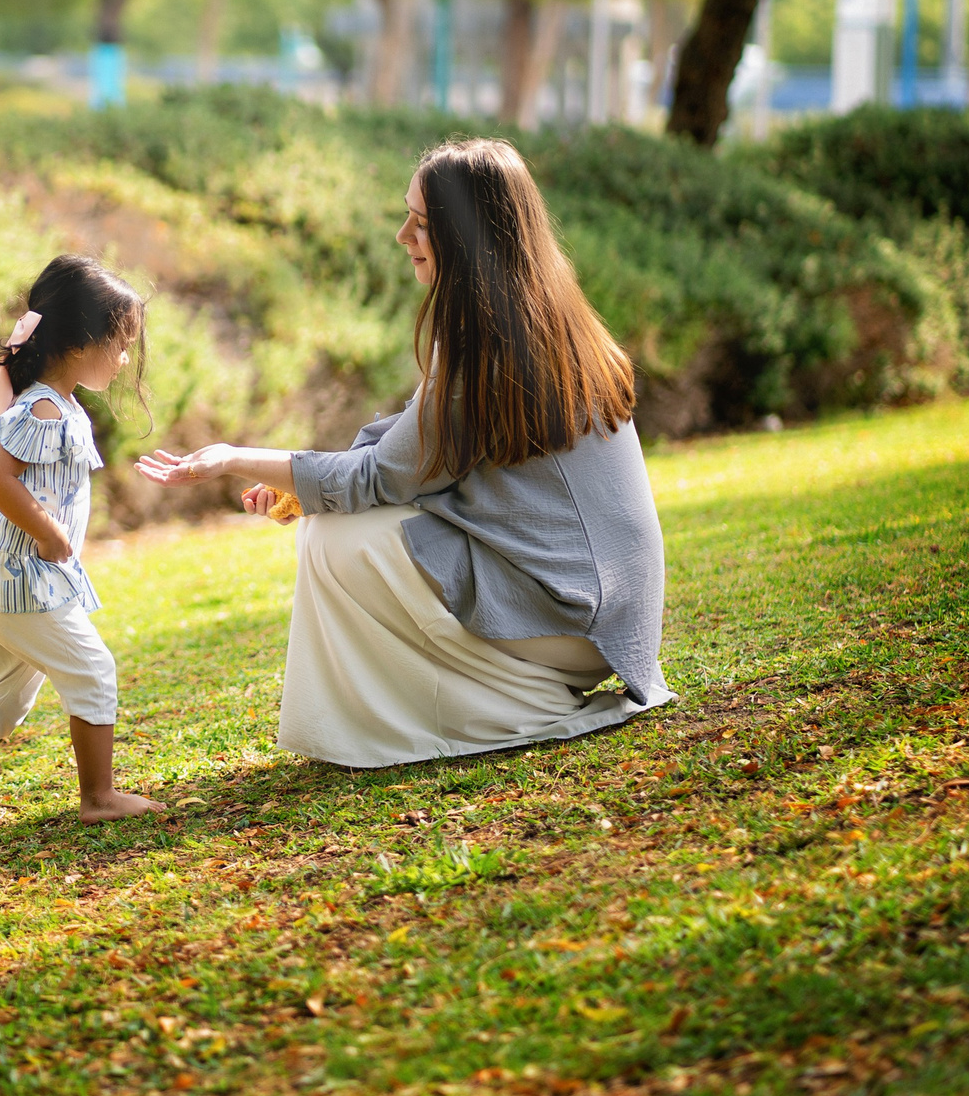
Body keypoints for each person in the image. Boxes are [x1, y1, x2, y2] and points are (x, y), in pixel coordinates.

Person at [136, 138, 668, 767]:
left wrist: (230, 458)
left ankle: (519, 704)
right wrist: (300, 488)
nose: (401, 234)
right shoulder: (544, 316)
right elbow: (414, 447)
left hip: (578, 618)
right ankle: (496, 696)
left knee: (341, 539)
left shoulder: (487, 339)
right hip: (606, 619)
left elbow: (383, 474)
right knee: (339, 523)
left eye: (422, 221)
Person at [0, 255, 168, 831]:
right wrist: (50, 534)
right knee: (93, 670)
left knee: (6, 698)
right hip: (20, 580)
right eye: (120, 344)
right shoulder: (44, 407)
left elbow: (7, 422)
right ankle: (98, 796)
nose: (124, 358)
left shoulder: (50, 402)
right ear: (80, 343)